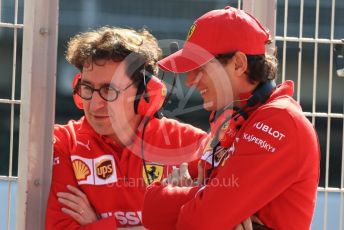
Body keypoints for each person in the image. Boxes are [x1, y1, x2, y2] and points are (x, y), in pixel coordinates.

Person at [142, 6, 320, 230]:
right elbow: (151, 209)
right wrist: (207, 199)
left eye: (200, 68)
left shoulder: (279, 121)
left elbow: (198, 223)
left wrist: (203, 199)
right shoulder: (233, 117)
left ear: (238, 64)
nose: (190, 81)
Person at [45, 26, 209, 229]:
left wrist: (98, 225)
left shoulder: (194, 146)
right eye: (87, 88)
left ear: (147, 93)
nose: (95, 104)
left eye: (109, 90)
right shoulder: (63, 142)